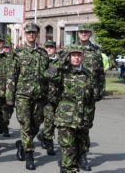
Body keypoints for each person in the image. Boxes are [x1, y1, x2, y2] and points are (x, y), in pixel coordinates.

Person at [46, 45, 97, 173]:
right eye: (73, 55)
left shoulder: (87, 74)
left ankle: (66, 166)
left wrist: (89, 119)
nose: (76, 58)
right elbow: (48, 74)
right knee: (68, 149)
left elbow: (91, 100)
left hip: (82, 118)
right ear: (68, 57)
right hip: (65, 118)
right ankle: (68, 168)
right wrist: (61, 59)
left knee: (80, 148)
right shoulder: (62, 72)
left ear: (83, 57)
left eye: (79, 55)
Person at [6, 23, 49, 170]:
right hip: (23, 95)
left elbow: (47, 75)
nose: (31, 35)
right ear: (25, 34)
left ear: (37, 34)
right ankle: (29, 155)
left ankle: (22, 144)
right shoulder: (18, 53)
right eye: (29, 32)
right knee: (25, 124)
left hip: (40, 96)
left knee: (35, 125)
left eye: (33, 32)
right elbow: (12, 76)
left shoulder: (43, 53)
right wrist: (9, 97)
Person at [75, 24, 104, 171]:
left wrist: (99, 91)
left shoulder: (96, 51)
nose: (84, 34)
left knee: (85, 127)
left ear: (90, 34)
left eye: (86, 32)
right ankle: (71, 154)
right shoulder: (70, 50)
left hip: (88, 97)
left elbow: (100, 74)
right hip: (72, 97)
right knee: (71, 127)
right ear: (78, 33)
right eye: (82, 32)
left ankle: (83, 155)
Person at [37, 40, 61, 156]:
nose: (49, 49)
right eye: (47, 47)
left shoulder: (60, 61)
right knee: (49, 120)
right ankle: (49, 141)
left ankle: (44, 136)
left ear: (55, 49)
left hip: (59, 96)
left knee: (56, 121)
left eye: (51, 47)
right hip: (45, 96)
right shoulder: (41, 61)